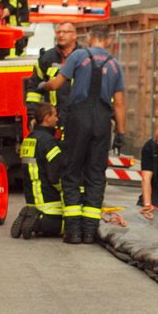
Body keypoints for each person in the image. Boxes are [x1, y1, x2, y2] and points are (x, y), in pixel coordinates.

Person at [43, 24, 126, 245]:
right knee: (96, 174)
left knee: (71, 171)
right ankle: (90, 232)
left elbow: (57, 84)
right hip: (102, 120)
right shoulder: (116, 65)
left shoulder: (78, 56)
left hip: (78, 119)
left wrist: (44, 85)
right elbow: (119, 104)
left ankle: (73, 232)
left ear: (89, 38)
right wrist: (120, 132)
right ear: (108, 41)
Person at [10, 102, 64, 239]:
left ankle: (29, 215)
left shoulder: (29, 140)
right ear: (47, 117)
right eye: (55, 116)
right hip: (49, 203)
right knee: (68, 225)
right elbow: (55, 176)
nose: (57, 119)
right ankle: (37, 224)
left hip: (32, 201)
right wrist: (67, 190)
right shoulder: (49, 142)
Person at [24, 21, 79, 129]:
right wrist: (32, 116)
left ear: (74, 35)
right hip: (52, 120)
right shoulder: (46, 58)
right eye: (58, 32)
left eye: (65, 32)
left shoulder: (84, 57)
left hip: (78, 120)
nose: (61, 35)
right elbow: (34, 89)